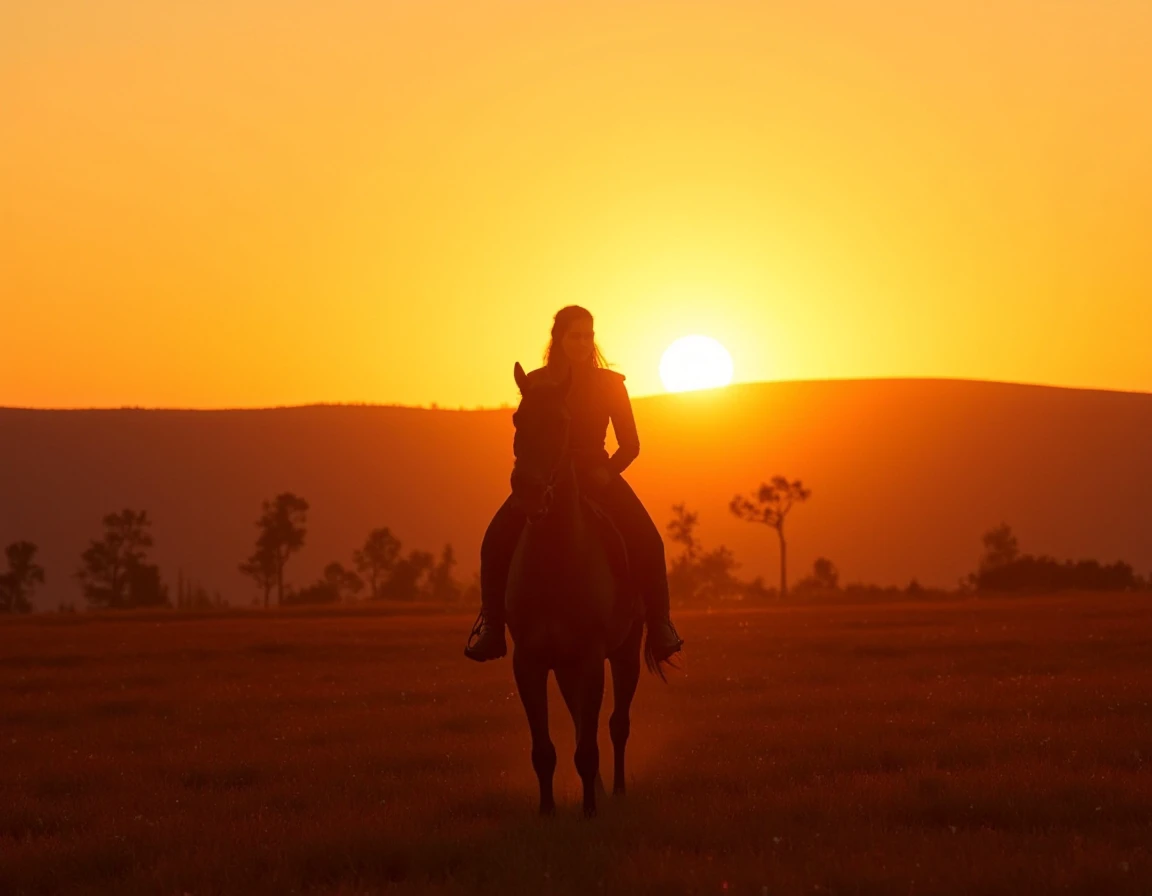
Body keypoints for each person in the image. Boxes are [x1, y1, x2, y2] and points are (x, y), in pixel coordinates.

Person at [464, 305, 684, 664]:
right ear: (559, 338)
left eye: (588, 335)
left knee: (648, 539)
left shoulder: (610, 384)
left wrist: (607, 473)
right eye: (575, 335)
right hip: (546, 478)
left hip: (598, 475)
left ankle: (660, 625)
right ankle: (492, 626)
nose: (583, 342)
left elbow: (630, 445)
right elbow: (529, 432)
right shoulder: (535, 381)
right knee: (496, 538)